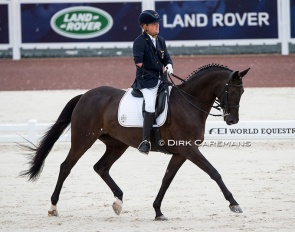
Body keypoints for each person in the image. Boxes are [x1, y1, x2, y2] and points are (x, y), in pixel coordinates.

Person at [132, 10, 173, 155]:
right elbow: (139, 63)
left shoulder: (161, 40)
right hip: (146, 81)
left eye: (157, 23)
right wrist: (155, 72)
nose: (157, 26)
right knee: (150, 104)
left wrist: (169, 65)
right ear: (144, 26)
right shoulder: (139, 42)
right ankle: (145, 141)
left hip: (161, 79)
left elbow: (166, 57)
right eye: (153, 24)